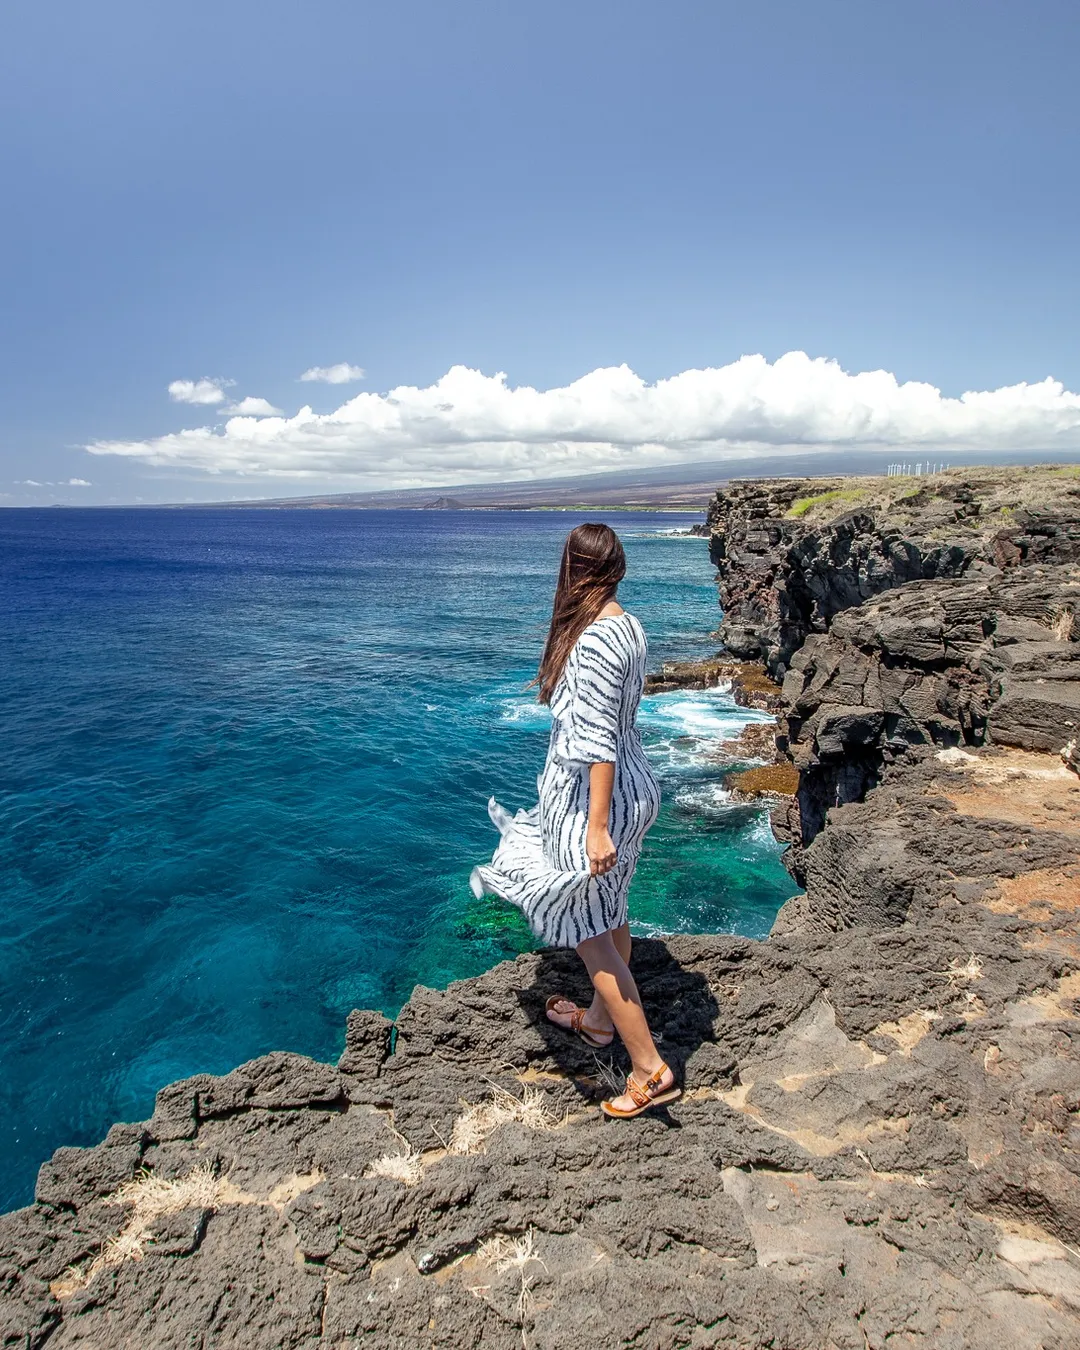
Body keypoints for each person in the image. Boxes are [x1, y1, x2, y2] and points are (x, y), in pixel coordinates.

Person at [470, 523, 679, 1118]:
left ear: (574, 569)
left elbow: (596, 742)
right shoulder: (627, 625)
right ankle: (596, 1024)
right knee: (609, 911)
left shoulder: (589, 643)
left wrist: (594, 826)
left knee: (589, 933)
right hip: (636, 789)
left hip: (595, 801)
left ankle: (649, 1068)